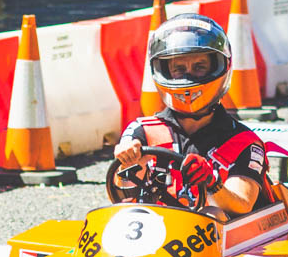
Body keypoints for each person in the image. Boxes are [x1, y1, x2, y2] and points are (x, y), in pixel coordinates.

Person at [113, 14, 276, 219]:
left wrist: (212, 183)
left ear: (218, 66)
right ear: (164, 71)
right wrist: (127, 160)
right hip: (161, 234)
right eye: (179, 69)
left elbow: (242, 204)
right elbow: (120, 195)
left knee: (212, 213)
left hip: (227, 240)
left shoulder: (244, 142)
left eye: (199, 67)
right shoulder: (141, 131)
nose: (188, 76)